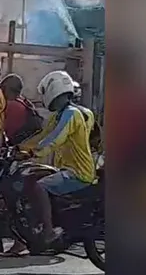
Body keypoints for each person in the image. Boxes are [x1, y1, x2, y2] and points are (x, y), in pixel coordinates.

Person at [10, 70, 97, 255]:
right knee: (31, 178)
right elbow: (42, 135)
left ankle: (48, 232)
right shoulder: (60, 115)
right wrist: (18, 148)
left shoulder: (71, 114)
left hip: (78, 172)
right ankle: (35, 228)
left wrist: (33, 152)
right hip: (65, 168)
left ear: (54, 91)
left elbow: (55, 139)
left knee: (41, 186)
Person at [0, 73, 43, 146]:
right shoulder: (23, 101)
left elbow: (3, 131)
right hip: (32, 140)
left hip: (22, 143)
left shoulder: (11, 106)